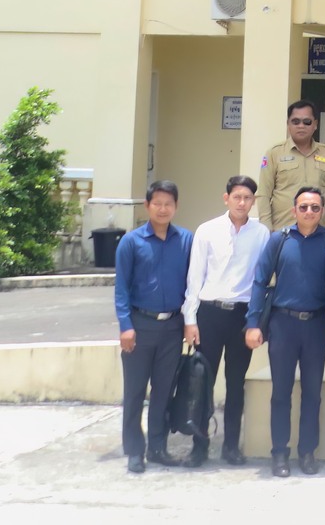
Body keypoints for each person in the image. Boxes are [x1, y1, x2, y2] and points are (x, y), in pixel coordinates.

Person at [246, 185, 325, 478]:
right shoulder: (279, 239)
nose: (309, 212)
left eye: (315, 207)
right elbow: (260, 281)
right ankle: (279, 453)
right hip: (282, 325)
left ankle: (307, 452)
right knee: (281, 393)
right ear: (294, 209)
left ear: (322, 211)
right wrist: (253, 323)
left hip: (316, 325)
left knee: (313, 393)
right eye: (303, 207)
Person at [181, 174, 265, 469]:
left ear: (254, 201)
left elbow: (261, 280)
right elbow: (194, 278)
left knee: (236, 384)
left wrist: (256, 320)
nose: (242, 203)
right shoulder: (207, 231)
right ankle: (199, 446)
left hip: (242, 316)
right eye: (237, 197)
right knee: (202, 382)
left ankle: (231, 446)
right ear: (226, 198)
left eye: (248, 198)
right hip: (210, 314)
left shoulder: (261, 234)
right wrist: (190, 319)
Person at [114, 180, 192, 474]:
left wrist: (189, 322)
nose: (162, 209)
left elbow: (193, 284)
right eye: (157, 203)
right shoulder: (131, 242)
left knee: (163, 391)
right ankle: (135, 450)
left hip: (172, 327)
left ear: (176, 207)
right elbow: (121, 288)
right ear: (147, 206)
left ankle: (157, 448)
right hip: (140, 325)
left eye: (168, 203)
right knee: (135, 392)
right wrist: (125, 326)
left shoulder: (186, 240)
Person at [256, 102, 325, 231]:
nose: (301, 126)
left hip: (316, 231)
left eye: (307, 122)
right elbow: (264, 194)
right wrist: (266, 228)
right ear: (288, 124)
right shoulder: (274, 153)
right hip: (283, 230)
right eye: (295, 121)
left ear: (315, 124)